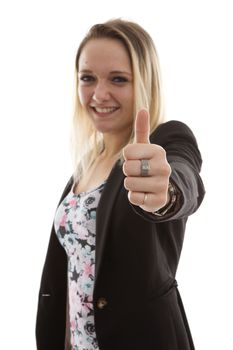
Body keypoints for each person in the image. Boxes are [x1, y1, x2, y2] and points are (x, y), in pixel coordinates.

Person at [36, 18, 205, 350]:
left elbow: (184, 178)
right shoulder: (87, 163)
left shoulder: (168, 140)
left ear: (144, 82)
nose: (99, 94)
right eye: (88, 78)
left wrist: (166, 192)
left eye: (118, 79)